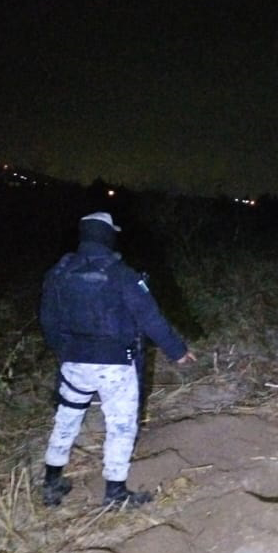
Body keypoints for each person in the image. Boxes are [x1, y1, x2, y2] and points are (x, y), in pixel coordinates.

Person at [39, 211, 196, 507]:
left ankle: (51, 482)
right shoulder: (122, 274)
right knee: (121, 425)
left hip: (73, 364)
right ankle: (115, 492)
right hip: (115, 366)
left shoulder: (58, 273)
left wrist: (66, 352)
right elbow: (151, 319)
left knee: (66, 419)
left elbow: (48, 320)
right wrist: (177, 351)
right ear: (108, 236)